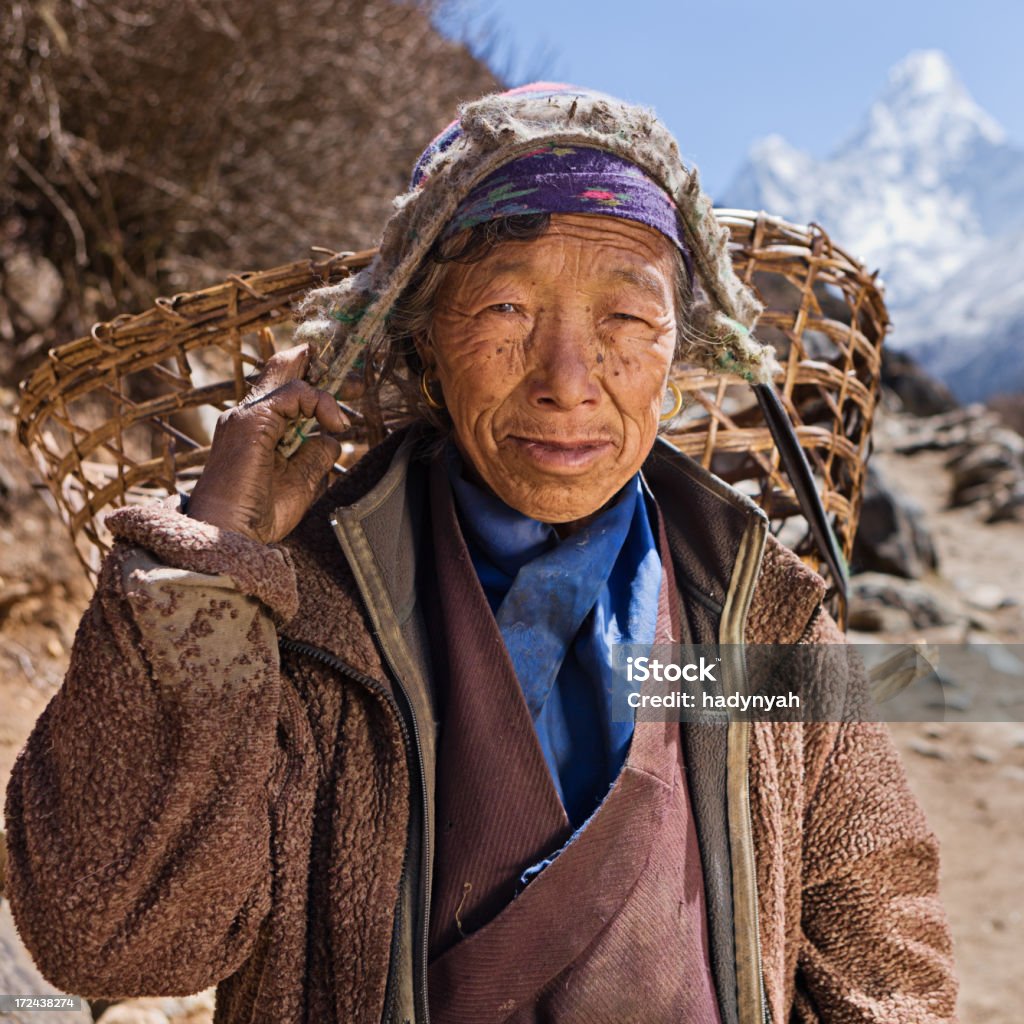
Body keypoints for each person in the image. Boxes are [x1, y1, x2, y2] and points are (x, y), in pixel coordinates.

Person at [4, 84, 957, 1024]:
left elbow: (889, 964)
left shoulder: (758, 618)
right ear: (424, 345)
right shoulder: (304, 612)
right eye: (505, 309)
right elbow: (107, 935)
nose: (569, 382)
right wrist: (217, 556)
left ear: (681, 352)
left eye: (626, 319)